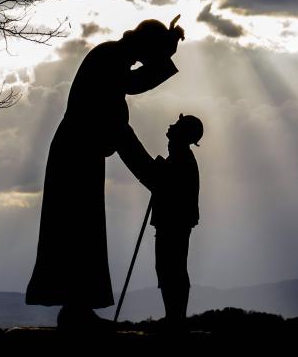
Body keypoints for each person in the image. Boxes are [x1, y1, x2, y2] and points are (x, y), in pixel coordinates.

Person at [25, 17, 185, 330]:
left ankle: (77, 308)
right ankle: (75, 310)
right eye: (152, 53)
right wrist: (150, 174)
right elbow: (121, 127)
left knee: (83, 231)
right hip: (76, 155)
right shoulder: (110, 59)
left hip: (80, 154)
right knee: (78, 230)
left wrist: (165, 56)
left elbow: (130, 93)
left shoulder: (113, 58)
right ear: (144, 46)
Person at [120, 113, 203, 331]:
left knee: (172, 268)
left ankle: (176, 318)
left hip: (174, 222)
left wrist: (127, 142)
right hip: (173, 221)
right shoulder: (179, 157)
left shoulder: (182, 159)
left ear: (183, 134)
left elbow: (159, 182)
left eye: (177, 125)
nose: (170, 126)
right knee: (169, 267)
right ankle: (174, 317)